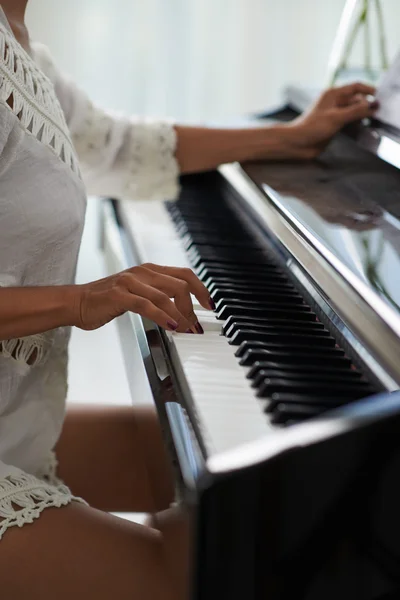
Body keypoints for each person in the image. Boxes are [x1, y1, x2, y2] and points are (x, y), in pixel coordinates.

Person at [0, 1, 379, 598]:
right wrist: (78, 301)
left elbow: (118, 147)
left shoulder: (21, 47)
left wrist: (291, 136)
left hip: (14, 419)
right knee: (193, 582)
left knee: (238, 487)